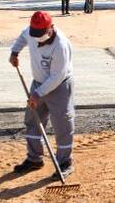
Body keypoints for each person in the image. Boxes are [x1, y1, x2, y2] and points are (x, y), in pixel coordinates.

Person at [9, 11, 75, 179]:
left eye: (41, 34)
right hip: (38, 83)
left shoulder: (60, 45)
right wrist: (15, 52)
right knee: (33, 121)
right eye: (35, 34)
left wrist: (37, 94)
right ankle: (34, 159)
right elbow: (23, 38)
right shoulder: (31, 32)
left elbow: (57, 76)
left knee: (62, 124)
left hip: (59, 86)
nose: (38, 38)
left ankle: (64, 162)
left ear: (51, 28)